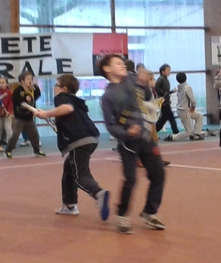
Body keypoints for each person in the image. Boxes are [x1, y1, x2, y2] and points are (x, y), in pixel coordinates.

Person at [99, 53, 166, 233]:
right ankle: (121, 215)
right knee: (131, 179)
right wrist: (126, 133)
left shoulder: (131, 79)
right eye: (117, 63)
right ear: (107, 69)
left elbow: (145, 96)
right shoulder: (108, 97)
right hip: (128, 143)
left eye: (122, 62)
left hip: (146, 138)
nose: (123, 65)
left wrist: (144, 83)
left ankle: (149, 212)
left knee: (158, 174)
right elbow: (111, 126)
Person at [31, 74, 110, 220]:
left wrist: (46, 113)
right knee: (69, 171)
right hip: (92, 138)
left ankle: (98, 193)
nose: (54, 88)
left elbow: (67, 108)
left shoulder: (62, 98)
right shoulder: (76, 100)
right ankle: (69, 205)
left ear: (64, 88)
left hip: (79, 140)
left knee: (80, 176)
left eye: (56, 85)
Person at [4, 72, 44, 158]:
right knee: (15, 135)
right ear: (22, 81)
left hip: (29, 117)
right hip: (20, 117)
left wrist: (37, 87)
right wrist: (24, 98)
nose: (30, 80)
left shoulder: (32, 89)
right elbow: (14, 100)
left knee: (34, 135)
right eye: (28, 79)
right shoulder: (18, 90)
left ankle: (36, 150)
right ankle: (8, 150)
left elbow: (37, 96)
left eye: (31, 79)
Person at [173, 72, 204, 140]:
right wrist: (193, 107)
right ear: (186, 78)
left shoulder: (179, 88)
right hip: (185, 111)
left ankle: (196, 134)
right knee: (188, 132)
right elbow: (193, 100)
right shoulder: (187, 88)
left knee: (199, 116)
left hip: (182, 110)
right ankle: (172, 137)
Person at [154, 64, 179, 137]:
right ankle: (176, 131)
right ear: (163, 71)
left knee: (163, 119)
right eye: (168, 70)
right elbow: (156, 88)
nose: (169, 72)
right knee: (171, 117)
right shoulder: (161, 79)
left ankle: (153, 131)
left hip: (166, 100)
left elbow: (166, 91)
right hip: (163, 101)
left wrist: (171, 91)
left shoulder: (165, 79)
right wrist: (163, 93)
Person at [0, 76, 14, 152]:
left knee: (8, 128)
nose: (1, 84)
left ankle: (11, 143)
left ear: (6, 84)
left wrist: (9, 111)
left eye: (3, 83)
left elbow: (11, 103)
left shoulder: (9, 93)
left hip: (7, 114)